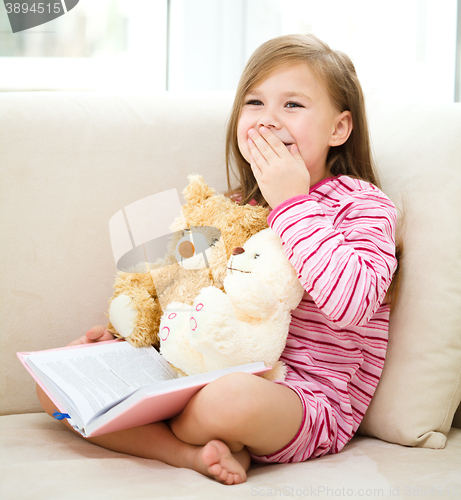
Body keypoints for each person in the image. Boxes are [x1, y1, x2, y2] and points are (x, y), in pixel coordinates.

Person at [36, 34, 399, 485]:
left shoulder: (362, 204)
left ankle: (188, 426)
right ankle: (189, 453)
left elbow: (352, 302)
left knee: (226, 400)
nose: (268, 121)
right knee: (57, 380)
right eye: (254, 102)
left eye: (293, 105)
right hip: (197, 369)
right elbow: (184, 295)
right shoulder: (229, 207)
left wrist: (291, 202)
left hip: (299, 397)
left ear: (339, 129)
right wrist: (127, 338)